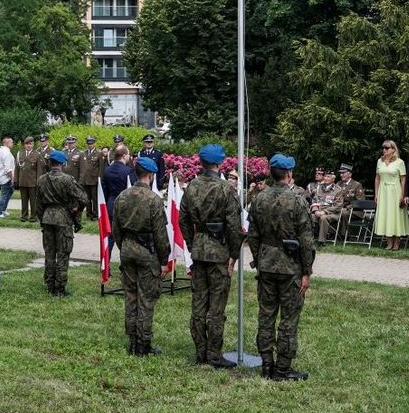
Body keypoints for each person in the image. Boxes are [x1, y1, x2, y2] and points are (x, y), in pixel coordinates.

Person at [249, 153, 314, 381]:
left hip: (266, 264)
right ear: (289, 173)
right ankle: (283, 368)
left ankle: (267, 365)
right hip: (290, 266)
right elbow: (306, 241)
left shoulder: (259, 199)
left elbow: (253, 235)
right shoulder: (297, 201)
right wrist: (307, 271)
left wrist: (259, 259)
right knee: (289, 318)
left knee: (266, 315)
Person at [178, 143, 242, 369]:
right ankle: (214, 354)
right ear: (220, 163)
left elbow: (183, 219)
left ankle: (200, 352)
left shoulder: (192, 186)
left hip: (199, 249)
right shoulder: (226, 189)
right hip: (219, 251)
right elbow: (233, 226)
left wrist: (191, 243)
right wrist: (234, 254)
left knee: (198, 304)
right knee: (216, 307)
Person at [112, 156, 170, 356]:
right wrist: (164, 260)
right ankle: (143, 344)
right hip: (147, 252)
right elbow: (160, 234)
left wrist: (124, 246)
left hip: (127, 248)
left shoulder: (122, 196)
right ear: (151, 175)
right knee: (146, 298)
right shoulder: (154, 199)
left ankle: (132, 340)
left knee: (130, 296)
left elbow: (116, 229)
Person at [33, 150, 88, 296]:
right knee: (63, 253)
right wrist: (77, 209)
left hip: (47, 218)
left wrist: (42, 220)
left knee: (50, 253)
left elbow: (38, 205)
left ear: (50, 163)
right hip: (63, 219)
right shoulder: (68, 179)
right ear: (62, 163)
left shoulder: (41, 180)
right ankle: (60, 288)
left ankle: (50, 284)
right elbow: (84, 198)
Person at [374, 139, 409, 251]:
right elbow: (377, 178)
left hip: (395, 190)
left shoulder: (400, 162)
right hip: (383, 191)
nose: (384, 150)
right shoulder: (380, 161)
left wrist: (402, 195)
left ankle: (397, 243)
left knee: (395, 215)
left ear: (393, 149)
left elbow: (403, 180)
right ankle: (389, 243)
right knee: (386, 215)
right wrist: (376, 193)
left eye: (387, 148)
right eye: (383, 148)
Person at [308, 169, 343, 245]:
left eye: (328, 177)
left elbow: (338, 206)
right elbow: (314, 201)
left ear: (333, 179)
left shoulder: (338, 190)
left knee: (323, 218)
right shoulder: (319, 188)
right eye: (325, 176)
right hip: (319, 212)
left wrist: (324, 212)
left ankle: (321, 241)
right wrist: (316, 211)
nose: (326, 178)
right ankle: (307, 239)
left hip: (332, 213)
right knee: (309, 216)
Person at [15, 136, 43, 222]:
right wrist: (16, 180)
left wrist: (38, 182)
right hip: (22, 181)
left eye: (30, 144)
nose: (28, 146)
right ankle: (24, 216)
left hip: (32, 182)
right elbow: (17, 168)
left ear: (33, 144)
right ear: (24, 145)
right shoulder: (20, 153)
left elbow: (39, 170)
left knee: (33, 201)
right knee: (24, 200)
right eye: (27, 144)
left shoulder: (37, 154)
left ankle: (33, 217)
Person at [102, 145, 134, 219]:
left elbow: (104, 191)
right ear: (124, 156)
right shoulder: (129, 171)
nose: (129, 156)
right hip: (125, 205)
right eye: (128, 154)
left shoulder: (107, 170)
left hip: (111, 204)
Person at [79, 136, 104, 220]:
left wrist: (99, 178)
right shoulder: (84, 153)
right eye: (88, 143)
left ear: (94, 143)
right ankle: (89, 214)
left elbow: (101, 168)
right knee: (87, 198)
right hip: (86, 179)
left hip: (94, 179)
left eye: (91, 143)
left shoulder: (99, 153)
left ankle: (96, 214)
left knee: (95, 198)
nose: (90, 145)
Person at [0, 137, 15, 218]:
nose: (13, 143)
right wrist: (12, 178)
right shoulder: (6, 153)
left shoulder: (0, 151)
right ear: (6, 143)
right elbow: (7, 168)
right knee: (4, 194)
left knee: (10, 192)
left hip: (1, 176)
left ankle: (3, 210)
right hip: (6, 177)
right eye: (11, 142)